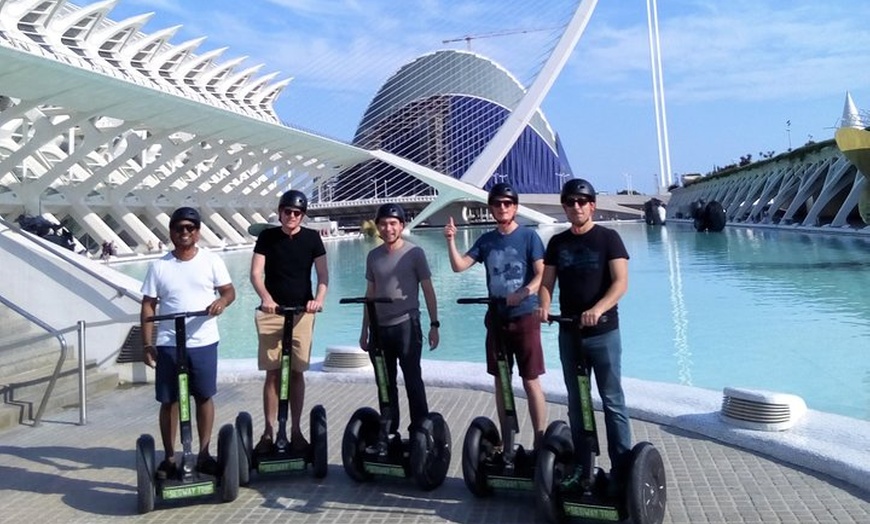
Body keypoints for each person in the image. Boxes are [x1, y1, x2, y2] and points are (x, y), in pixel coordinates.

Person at [537, 178, 632, 491]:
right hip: (569, 333)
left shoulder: (609, 239)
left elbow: (620, 283)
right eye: (570, 202)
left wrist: (599, 308)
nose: (575, 207)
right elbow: (547, 283)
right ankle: (583, 466)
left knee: (612, 401)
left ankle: (621, 469)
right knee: (577, 403)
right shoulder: (557, 243)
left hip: (603, 333)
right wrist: (544, 306)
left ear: (592, 205)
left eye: (581, 201)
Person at [444, 182, 547, 450]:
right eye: (497, 204)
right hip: (497, 318)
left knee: (530, 379)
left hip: (524, 316)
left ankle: (540, 439)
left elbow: (542, 274)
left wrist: (524, 292)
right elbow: (459, 267)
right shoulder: (487, 240)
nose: (502, 208)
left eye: (507, 204)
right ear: (491, 208)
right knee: (501, 379)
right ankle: (507, 440)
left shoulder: (529, 237)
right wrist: (451, 240)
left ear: (515, 207)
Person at [140, 206, 236, 479]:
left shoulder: (211, 261)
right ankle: (170, 457)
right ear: (171, 232)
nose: (184, 233)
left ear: (198, 232)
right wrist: (148, 344)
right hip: (170, 342)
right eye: (179, 228)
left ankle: (204, 454)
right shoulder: (159, 266)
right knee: (168, 400)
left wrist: (221, 301)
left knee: (204, 396)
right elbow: (148, 305)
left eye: (190, 228)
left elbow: (229, 291)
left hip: (203, 341)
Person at [250, 189, 328, 452]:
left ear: (302, 215)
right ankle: (269, 431)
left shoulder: (312, 238)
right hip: (271, 313)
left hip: (301, 314)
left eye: (296, 213)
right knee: (272, 373)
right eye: (287, 212)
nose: (291, 216)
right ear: (280, 212)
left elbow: (324, 276)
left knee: (296, 373)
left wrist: (317, 299)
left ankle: (295, 431)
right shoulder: (267, 237)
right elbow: (256, 273)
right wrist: (266, 298)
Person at [358, 203, 439, 438]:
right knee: (385, 383)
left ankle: (420, 432)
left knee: (412, 380)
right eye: (383, 223)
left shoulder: (415, 253)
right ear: (378, 227)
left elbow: (428, 290)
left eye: (393, 223)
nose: (388, 228)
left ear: (401, 226)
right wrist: (364, 331)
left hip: (406, 325)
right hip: (379, 329)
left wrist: (434, 324)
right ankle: (388, 430)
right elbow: (369, 295)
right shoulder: (373, 256)